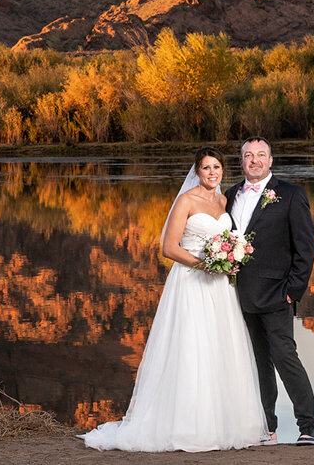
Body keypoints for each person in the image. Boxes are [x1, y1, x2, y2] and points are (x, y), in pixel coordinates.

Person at [81, 147, 267, 452]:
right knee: (192, 348)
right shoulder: (186, 200)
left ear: (223, 170)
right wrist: (204, 263)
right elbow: (168, 247)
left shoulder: (224, 200)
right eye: (206, 168)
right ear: (197, 171)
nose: (212, 173)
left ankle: (225, 425)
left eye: (217, 167)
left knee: (222, 347)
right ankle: (188, 426)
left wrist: (230, 258)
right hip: (192, 283)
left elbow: (228, 240)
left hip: (221, 287)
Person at [224, 136, 314, 445]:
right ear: (241, 161)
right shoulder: (228, 196)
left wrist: (294, 290)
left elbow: (306, 248)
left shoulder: (291, 195)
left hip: (278, 293)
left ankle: (309, 425)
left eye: (261, 155)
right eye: (248, 155)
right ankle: (267, 427)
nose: (254, 160)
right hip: (239, 295)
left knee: (285, 357)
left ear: (271, 161)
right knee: (258, 362)